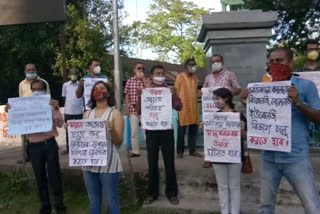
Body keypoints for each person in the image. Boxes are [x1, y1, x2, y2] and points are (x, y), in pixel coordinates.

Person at [241, 47, 320, 214]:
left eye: (280, 61)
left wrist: (298, 103)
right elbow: (261, 118)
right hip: (269, 157)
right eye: (271, 62)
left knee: (312, 206)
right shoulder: (263, 88)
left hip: (296, 157)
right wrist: (247, 103)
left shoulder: (306, 86)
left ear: (290, 62)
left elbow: (318, 117)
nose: (275, 64)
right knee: (265, 207)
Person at [6, 79, 66, 214]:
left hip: (49, 144)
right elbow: (17, 122)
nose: (36, 92)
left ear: (45, 90)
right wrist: (10, 110)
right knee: (39, 177)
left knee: (54, 177)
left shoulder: (51, 105)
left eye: (39, 89)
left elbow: (60, 124)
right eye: (34, 89)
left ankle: (59, 206)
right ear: (31, 91)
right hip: (33, 146)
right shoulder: (24, 106)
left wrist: (56, 109)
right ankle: (45, 206)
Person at [136, 65, 182, 205]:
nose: (160, 75)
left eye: (162, 73)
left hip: (167, 130)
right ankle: (152, 193)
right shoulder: (146, 91)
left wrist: (174, 94)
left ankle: (172, 193)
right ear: (152, 75)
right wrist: (140, 97)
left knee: (169, 163)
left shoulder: (169, 90)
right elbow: (138, 110)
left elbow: (179, 107)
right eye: (157, 73)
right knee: (152, 163)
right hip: (151, 131)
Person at [82, 81, 124, 214]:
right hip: (89, 164)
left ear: (108, 93)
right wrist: (72, 130)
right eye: (96, 89)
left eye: (102, 88)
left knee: (112, 200)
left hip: (109, 164)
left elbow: (118, 142)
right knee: (93, 201)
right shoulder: (86, 115)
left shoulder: (115, 114)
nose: (98, 90)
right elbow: (82, 139)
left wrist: (112, 130)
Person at [202, 87, 247, 214]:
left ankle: (234, 212)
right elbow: (209, 136)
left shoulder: (238, 116)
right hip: (218, 156)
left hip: (235, 156)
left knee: (234, 186)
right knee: (222, 186)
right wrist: (204, 128)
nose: (215, 102)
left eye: (216, 98)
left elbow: (246, 137)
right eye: (213, 99)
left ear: (226, 98)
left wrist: (242, 129)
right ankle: (224, 211)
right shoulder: (213, 116)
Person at [202, 54, 242, 168]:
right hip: (211, 110)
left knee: (225, 133)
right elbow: (204, 90)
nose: (215, 63)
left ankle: (227, 154)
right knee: (210, 133)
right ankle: (209, 156)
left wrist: (226, 94)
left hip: (226, 110)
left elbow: (238, 89)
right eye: (213, 61)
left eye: (218, 61)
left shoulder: (229, 75)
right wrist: (201, 93)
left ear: (222, 62)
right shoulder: (208, 78)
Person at [18, 63, 50, 163]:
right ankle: (27, 157)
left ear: (36, 70)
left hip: (40, 114)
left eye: (33, 69)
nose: (31, 72)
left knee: (40, 136)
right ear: (25, 72)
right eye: (29, 70)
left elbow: (47, 98)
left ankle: (42, 156)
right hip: (26, 114)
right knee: (26, 138)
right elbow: (20, 99)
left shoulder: (43, 82)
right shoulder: (21, 84)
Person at [175, 58, 201, 158]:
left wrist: (199, 94)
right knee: (181, 130)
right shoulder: (180, 77)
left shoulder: (195, 78)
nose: (192, 66)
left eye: (194, 64)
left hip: (194, 107)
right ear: (186, 66)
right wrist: (177, 105)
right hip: (183, 108)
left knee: (193, 130)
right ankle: (180, 152)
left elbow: (195, 91)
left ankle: (192, 151)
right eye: (190, 64)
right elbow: (176, 93)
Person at [124, 62, 149, 157]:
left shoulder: (147, 81)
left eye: (143, 68)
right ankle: (135, 151)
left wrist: (143, 80)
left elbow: (150, 91)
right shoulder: (130, 81)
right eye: (139, 68)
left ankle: (150, 150)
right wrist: (127, 109)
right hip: (133, 109)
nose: (141, 70)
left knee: (147, 130)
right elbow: (126, 95)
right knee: (134, 131)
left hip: (145, 110)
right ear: (134, 70)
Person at [61, 68, 84, 154]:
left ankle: (79, 148)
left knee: (79, 131)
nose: (73, 75)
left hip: (79, 111)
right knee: (68, 131)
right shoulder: (65, 85)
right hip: (68, 111)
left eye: (75, 74)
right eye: (72, 73)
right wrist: (67, 107)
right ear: (69, 75)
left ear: (78, 75)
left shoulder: (81, 85)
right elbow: (64, 97)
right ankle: (68, 148)